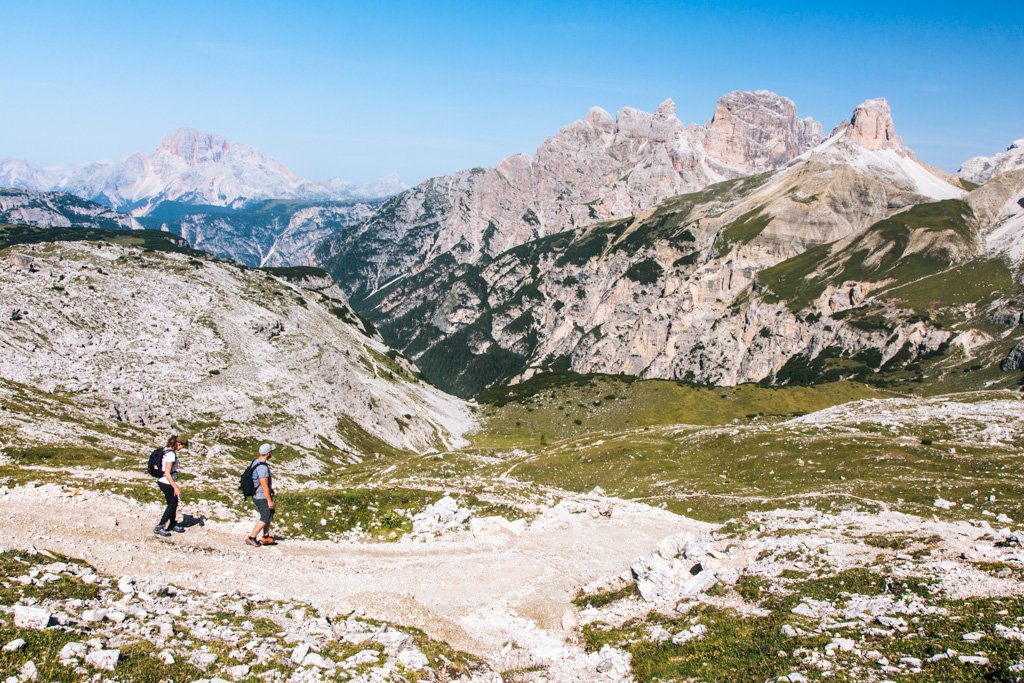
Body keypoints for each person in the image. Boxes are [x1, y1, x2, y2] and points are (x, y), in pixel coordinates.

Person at [154, 435, 188, 537]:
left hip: (162, 480)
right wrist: (175, 487)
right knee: (172, 503)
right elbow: (167, 473)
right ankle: (160, 526)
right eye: (183, 446)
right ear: (179, 444)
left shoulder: (165, 450)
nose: (182, 449)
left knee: (172, 502)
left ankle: (173, 523)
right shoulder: (171, 455)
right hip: (166, 482)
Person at [245, 443, 278, 547]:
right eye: (271, 451)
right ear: (268, 453)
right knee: (265, 517)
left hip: (257, 494)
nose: (272, 453)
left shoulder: (256, 461)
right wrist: (269, 500)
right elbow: (264, 486)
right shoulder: (262, 468)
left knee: (269, 514)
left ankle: (266, 536)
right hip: (262, 496)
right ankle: (252, 537)